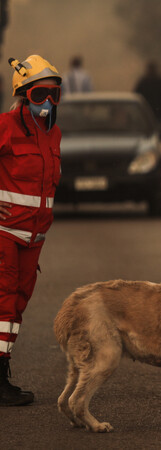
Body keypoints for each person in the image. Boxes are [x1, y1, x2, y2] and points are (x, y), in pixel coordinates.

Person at [0, 55, 62, 406]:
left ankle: (1, 371)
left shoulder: (54, 133)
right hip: (5, 234)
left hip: (33, 241)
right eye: (40, 95)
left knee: (15, 308)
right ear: (24, 95)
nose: (49, 103)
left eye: (55, 95)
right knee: (3, 306)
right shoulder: (4, 126)